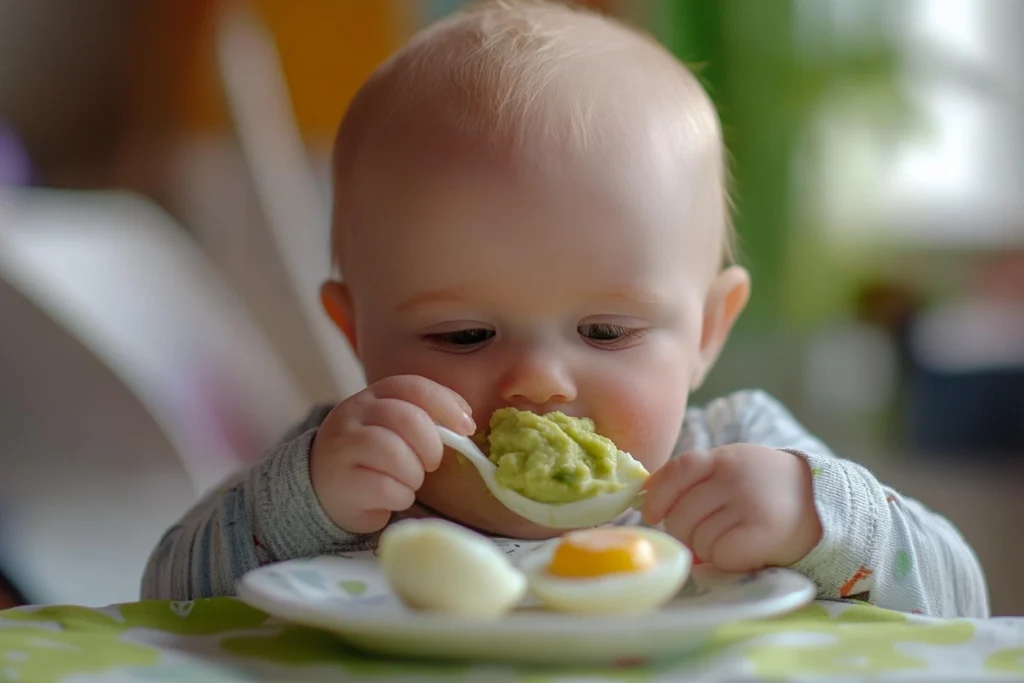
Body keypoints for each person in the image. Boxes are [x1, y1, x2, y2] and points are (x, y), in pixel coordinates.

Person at [142, 0, 988, 617]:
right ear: (356, 330)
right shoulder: (349, 470)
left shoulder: (739, 454)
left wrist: (814, 516)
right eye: (463, 333)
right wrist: (305, 500)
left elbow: (963, 599)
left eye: (606, 332)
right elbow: (163, 598)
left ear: (706, 330)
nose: (538, 383)